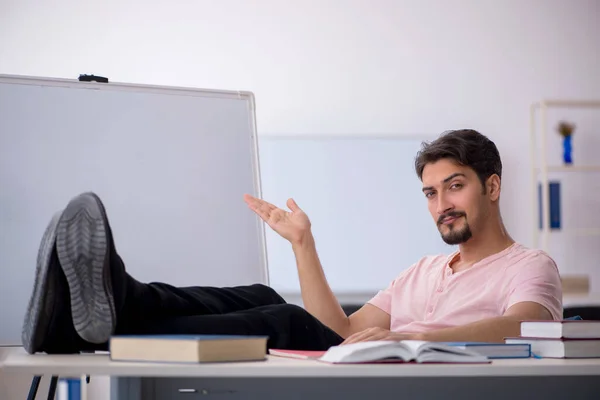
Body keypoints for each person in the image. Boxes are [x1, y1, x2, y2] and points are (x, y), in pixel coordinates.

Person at [22, 129, 562, 355]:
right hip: (377, 368)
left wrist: (411, 336)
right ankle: (119, 297)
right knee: (265, 295)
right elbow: (342, 331)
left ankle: (98, 324)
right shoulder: (422, 270)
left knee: (285, 324)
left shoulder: (530, 265)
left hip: (415, 377)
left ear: (491, 186)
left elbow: (526, 325)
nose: (441, 203)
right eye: (429, 192)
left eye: (455, 186)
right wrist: (304, 245)